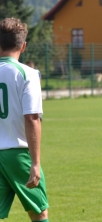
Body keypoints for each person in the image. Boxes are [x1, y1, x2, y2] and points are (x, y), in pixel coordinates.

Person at [0, 18, 49, 221]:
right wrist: (35, 163)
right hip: (18, 154)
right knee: (39, 211)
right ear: (23, 46)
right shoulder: (27, 73)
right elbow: (32, 118)